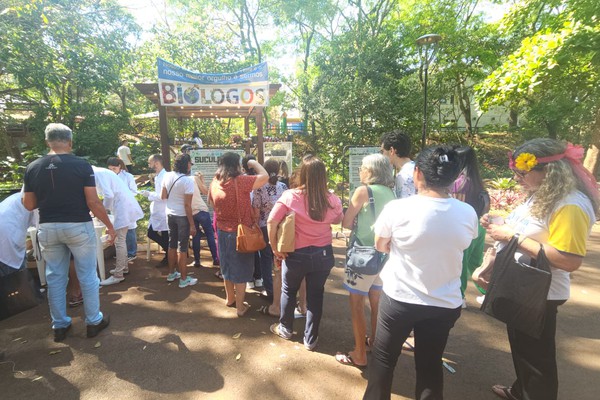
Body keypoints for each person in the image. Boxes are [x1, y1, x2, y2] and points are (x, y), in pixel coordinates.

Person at [481, 138, 598, 400]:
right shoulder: (541, 196)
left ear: (549, 171)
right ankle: (519, 390)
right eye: (515, 172)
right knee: (524, 351)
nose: (517, 178)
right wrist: (500, 225)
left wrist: (511, 237)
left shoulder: (571, 205)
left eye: (522, 173)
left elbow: (569, 260)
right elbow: (526, 229)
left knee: (536, 359)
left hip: (540, 293)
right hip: (522, 286)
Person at [363, 145, 478, 400]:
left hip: (400, 299)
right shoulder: (468, 213)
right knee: (429, 365)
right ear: (453, 178)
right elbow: (465, 244)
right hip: (445, 302)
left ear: (417, 174)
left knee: (383, 360)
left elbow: (381, 244)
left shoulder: (398, 209)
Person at [23, 123, 114, 342]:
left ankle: (60, 325)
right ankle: (93, 321)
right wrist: (109, 226)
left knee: (54, 277)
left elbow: (28, 204)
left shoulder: (33, 167)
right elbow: (92, 201)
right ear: (70, 142)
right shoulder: (81, 166)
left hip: (47, 227)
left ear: (48, 142)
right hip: (78, 225)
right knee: (87, 275)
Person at [268, 155, 343, 351]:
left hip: (296, 254)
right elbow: (338, 219)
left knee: (289, 290)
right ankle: (310, 339)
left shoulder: (290, 196)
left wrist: (275, 247)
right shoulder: (331, 199)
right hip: (323, 255)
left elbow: (272, 221)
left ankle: (285, 328)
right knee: (315, 295)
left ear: (303, 174)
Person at [335, 154, 395, 368]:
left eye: (362, 168)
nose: (360, 171)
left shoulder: (362, 191)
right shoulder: (391, 193)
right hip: (384, 255)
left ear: (370, 171)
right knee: (377, 301)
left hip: (362, 255)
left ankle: (359, 353)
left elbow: (347, 222)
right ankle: (376, 344)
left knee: (356, 303)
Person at [209, 152, 268, 317]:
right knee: (241, 270)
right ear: (236, 165)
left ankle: (230, 299)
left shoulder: (215, 181)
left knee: (226, 267)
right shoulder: (241, 181)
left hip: (221, 231)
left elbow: (211, 203)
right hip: (240, 233)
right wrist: (253, 162)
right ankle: (240, 308)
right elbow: (265, 176)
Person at [450, 146, 490, 307]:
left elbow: (456, 208)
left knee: (461, 263)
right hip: (479, 226)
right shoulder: (477, 181)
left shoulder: (459, 183)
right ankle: (489, 292)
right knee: (476, 262)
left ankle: (460, 297)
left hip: (464, 227)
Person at [93, 166, 144, 286]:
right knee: (121, 239)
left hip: (122, 207)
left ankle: (118, 274)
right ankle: (123, 268)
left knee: (119, 240)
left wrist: (102, 211)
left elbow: (109, 195)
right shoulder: (99, 172)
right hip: (123, 206)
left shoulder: (97, 174)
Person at [253, 158, 288, 314]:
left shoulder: (259, 188)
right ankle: (283, 289)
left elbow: (255, 210)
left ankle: (270, 289)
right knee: (282, 258)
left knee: (265, 258)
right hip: (281, 228)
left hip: (264, 226)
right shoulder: (283, 187)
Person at [161, 153, 198, 288]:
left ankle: (172, 273)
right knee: (182, 248)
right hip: (182, 216)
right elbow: (187, 205)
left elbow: (163, 196)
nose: (191, 166)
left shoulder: (167, 175)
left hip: (170, 214)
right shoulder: (187, 181)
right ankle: (183, 279)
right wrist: (192, 224)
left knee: (172, 245)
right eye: (190, 163)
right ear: (186, 164)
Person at [107, 157, 138, 261]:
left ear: (119, 166)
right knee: (118, 229)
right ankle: (121, 253)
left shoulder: (128, 176)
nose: (112, 171)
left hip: (126, 205)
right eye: (110, 169)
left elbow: (134, 191)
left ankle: (131, 253)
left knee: (129, 229)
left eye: (114, 169)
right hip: (115, 206)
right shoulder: (109, 176)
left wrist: (123, 196)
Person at [140, 155, 169, 265]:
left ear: (156, 163)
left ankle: (169, 253)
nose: (149, 165)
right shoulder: (158, 176)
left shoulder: (164, 176)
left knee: (158, 233)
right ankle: (169, 253)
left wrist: (149, 194)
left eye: (150, 163)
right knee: (154, 233)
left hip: (163, 209)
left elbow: (163, 196)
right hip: (158, 210)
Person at [0, 192, 37, 278]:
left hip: (7, 236)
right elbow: (42, 229)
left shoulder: (16, 197)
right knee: (16, 281)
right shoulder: (37, 199)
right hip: (8, 240)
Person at [190, 171, 219, 267]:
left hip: (191, 211)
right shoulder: (194, 178)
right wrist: (202, 179)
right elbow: (206, 191)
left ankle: (197, 260)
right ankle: (215, 258)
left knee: (196, 235)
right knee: (210, 234)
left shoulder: (179, 181)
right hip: (201, 210)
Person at [380, 130, 416, 198]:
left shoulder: (404, 176)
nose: (382, 155)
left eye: (382, 151)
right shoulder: (418, 169)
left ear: (391, 150)